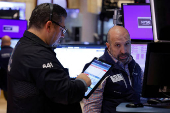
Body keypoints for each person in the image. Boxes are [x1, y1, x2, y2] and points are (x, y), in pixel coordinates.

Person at [7, 3, 91, 113]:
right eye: (62, 29)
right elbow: (65, 93)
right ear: (49, 25)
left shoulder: (23, 44)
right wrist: (82, 82)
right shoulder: (36, 54)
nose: (62, 35)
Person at [83, 26, 144, 113]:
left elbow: (146, 95)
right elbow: (91, 108)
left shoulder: (134, 66)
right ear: (108, 46)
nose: (123, 51)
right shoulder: (97, 68)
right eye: (117, 45)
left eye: (127, 44)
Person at [0, 35, 13, 101]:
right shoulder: (15, 52)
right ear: (10, 43)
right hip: (14, 83)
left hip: (4, 84)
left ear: (1, 43)